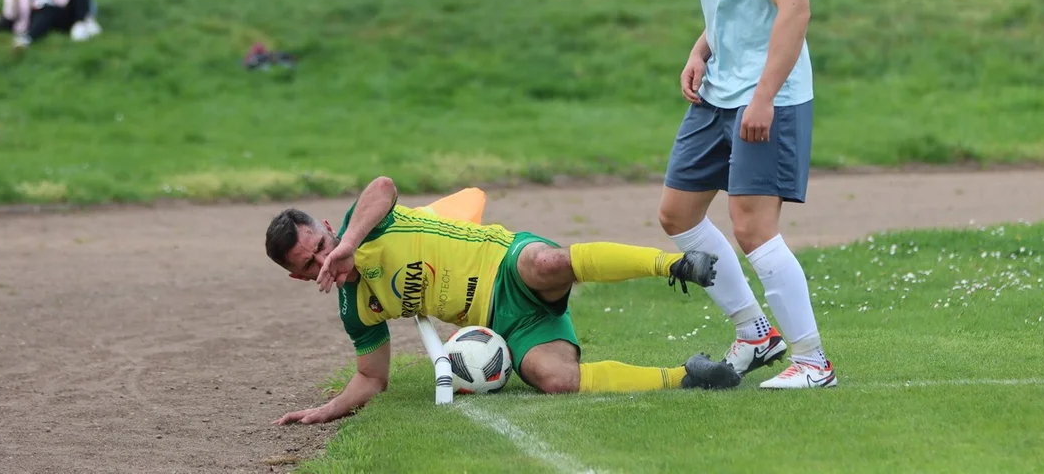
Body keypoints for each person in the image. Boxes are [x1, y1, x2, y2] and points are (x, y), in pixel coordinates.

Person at [264, 176, 742, 425]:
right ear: (298, 277)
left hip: (506, 260)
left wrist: (350, 241)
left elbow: (384, 186)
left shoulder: (364, 224)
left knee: (548, 264)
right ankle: (691, 376)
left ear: (328, 230)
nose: (323, 262)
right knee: (554, 380)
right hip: (504, 321)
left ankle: (676, 265)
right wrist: (327, 410)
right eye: (309, 264)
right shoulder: (356, 309)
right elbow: (372, 377)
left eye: (321, 248)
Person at [652, 0, 836, 389]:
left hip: (766, 97)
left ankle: (814, 362)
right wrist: (701, 48)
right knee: (677, 214)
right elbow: (733, 2)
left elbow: (795, 9)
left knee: (753, 227)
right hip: (719, 90)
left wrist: (763, 97)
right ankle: (757, 334)